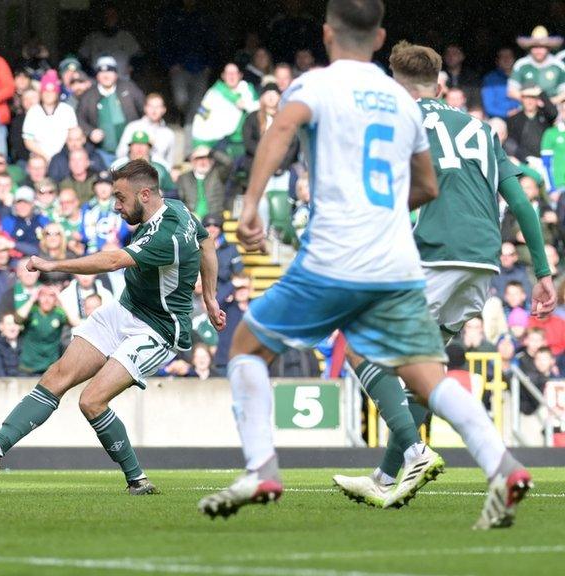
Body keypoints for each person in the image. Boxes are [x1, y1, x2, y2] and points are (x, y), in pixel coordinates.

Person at [197, 2, 536, 531]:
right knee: (425, 372)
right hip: (401, 259)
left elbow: (281, 130)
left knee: (249, 347)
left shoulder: (317, 85)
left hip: (338, 250)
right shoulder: (402, 108)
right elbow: (427, 186)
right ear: (379, 37)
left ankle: (264, 467)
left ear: (328, 33)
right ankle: (502, 465)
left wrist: (249, 206)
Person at [333, 40, 556, 509]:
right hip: (482, 263)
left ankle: (415, 449)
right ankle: (383, 476)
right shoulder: (480, 128)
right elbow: (520, 204)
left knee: (357, 345)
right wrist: (541, 271)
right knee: (422, 371)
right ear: (439, 83)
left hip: (432, 253)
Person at [0, 159, 226, 495]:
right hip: (126, 310)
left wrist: (53, 263)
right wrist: (209, 298)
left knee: (91, 401)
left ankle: (137, 480)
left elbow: (112, 260)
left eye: (121, 199)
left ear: (145, 194)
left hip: (159, 329)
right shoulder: (175, 208)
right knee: (57, 374)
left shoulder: (168, 235)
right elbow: (206, 242)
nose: (116, 206)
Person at [76, 56, 145, 167]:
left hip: (130, 151)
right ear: (97, 75)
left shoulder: (129, 88)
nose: (106, 75)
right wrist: (90, 132)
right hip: (102, 152)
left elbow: (144, 109)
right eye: (101, 72)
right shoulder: (89, 95)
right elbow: (79, 118)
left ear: (116, 74)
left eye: (110, 71)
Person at [22, 70, 78, 162]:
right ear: (41, 93)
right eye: (46, 92)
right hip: (39, 156)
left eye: (52, 92)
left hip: (64, 155)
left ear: (57, 94)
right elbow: (28, 141)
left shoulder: (67, 110)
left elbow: (73, 135)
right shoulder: (33, 111)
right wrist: (45, 156)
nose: (49, 95)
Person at [508, 26, 565, 104]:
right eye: (535, 47)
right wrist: (530, 102)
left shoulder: (559, 66)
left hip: (554, 110)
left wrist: (548, 103)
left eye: (542, 47)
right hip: (527, 111)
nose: (538, 50)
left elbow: (563, 92)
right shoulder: (521, 65)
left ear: (548, 48)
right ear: (530, 48)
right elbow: (512, 91)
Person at [116, 93, 174, 165]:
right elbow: (120, 154)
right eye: (151, 106)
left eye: (158, 107)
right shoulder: (132, 127)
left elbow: (170, 161)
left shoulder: (169, 134)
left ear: (164, 109)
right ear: (145, 108)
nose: (154, 110)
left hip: (158, 173)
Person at [177, 147, 233, 220]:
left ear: (212, 161)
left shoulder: (218, 174)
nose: (203, 161)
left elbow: (228, 163)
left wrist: (211, 152)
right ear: (192, 161)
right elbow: (180, 198)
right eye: (199, 158)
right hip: (191, 219)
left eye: (206, 158)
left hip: (214, 220)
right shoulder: (184, 178)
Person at [482, 48, 521, 121]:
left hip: (521, 117)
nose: (506, 59)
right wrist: (506, 113)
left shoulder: (522, 76)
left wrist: (519, 111)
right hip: (499, 119)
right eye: (502, 57)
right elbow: (488, 107)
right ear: (497, 61)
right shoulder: (490, 79)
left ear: (514, 59)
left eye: (509, 56)